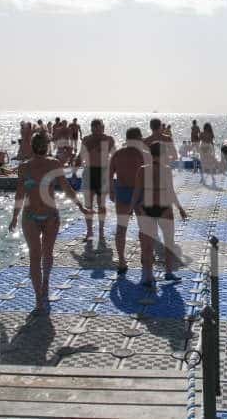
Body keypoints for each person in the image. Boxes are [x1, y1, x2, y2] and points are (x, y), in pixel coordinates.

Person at [9, 133, 90, 315]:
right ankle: (42, 289)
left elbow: (20, 194)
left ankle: (41, 293)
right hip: (46, 215)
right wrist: (80, 206)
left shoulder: (37, 166)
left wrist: (15, 216)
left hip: (36, 216)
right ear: (46, 146)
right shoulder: (44, 165)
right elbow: (67, 189)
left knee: (37, 256)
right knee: (44, 254)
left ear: (32, 147)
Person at [130, 142, 187, 288]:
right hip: (164, 209)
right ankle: (168, 272)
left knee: (148, 245)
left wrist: (131, 208)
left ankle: (149, 276)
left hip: (146, 209)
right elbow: (171, 192)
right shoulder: (166, 170)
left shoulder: (142, 170)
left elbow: (137, 191)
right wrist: (180, 208)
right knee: (169, 242)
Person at [108, 127, 149, 272]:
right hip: (140, 193)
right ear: (138, 139)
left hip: (122, 192)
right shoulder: (144, 155)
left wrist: (111, 191)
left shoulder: (117, 154)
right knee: (144, 227)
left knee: (121, 228)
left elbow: (109, 174)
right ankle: (144, 256)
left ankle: (121, 261)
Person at [76, 119, 116, 242]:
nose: (97, 132)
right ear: (91, 129)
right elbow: (80, 157)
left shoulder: (109, 140)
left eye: (99, 129)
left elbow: (115, 156)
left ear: (103, 128)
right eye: (94, 129)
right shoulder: (87, 139)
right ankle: (89, 232)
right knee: (88, 204)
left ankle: (101, 231)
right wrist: (76, 163)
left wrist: (115, 171)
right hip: (89, 172)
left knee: (101, 204)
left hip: (103, 172)